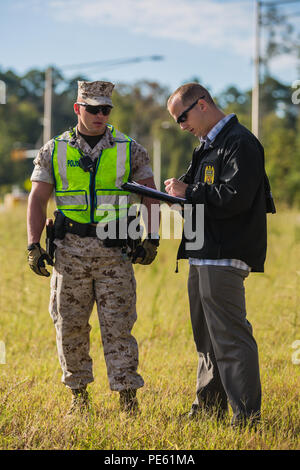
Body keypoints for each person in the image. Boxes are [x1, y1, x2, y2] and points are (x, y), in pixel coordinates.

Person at [27, 80, 160, 414]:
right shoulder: (54, 149)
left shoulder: (130, 148)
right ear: (78, 109)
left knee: (118, 327)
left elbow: (150, 195)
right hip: (69, 253)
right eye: (93, 109)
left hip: (115, 253)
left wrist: (152, 239)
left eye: (106, 109)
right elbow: (38, 199)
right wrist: (32, 245)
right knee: (69, 325)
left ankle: (128, 399)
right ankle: (79, 398)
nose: (100, 115)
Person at [164, 82, 275, 427]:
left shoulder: (240, 143)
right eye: (177, 121)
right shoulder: (207, 147)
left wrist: (189, 191)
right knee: (207, 340)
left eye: (182, 117)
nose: (182, 126)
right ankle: (208, 410)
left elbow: (236, 197)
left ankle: (245, 419)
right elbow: (198, 197)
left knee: (230, 338)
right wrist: (173, 194)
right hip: (202, 253)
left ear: (202, 105)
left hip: (225, 256)